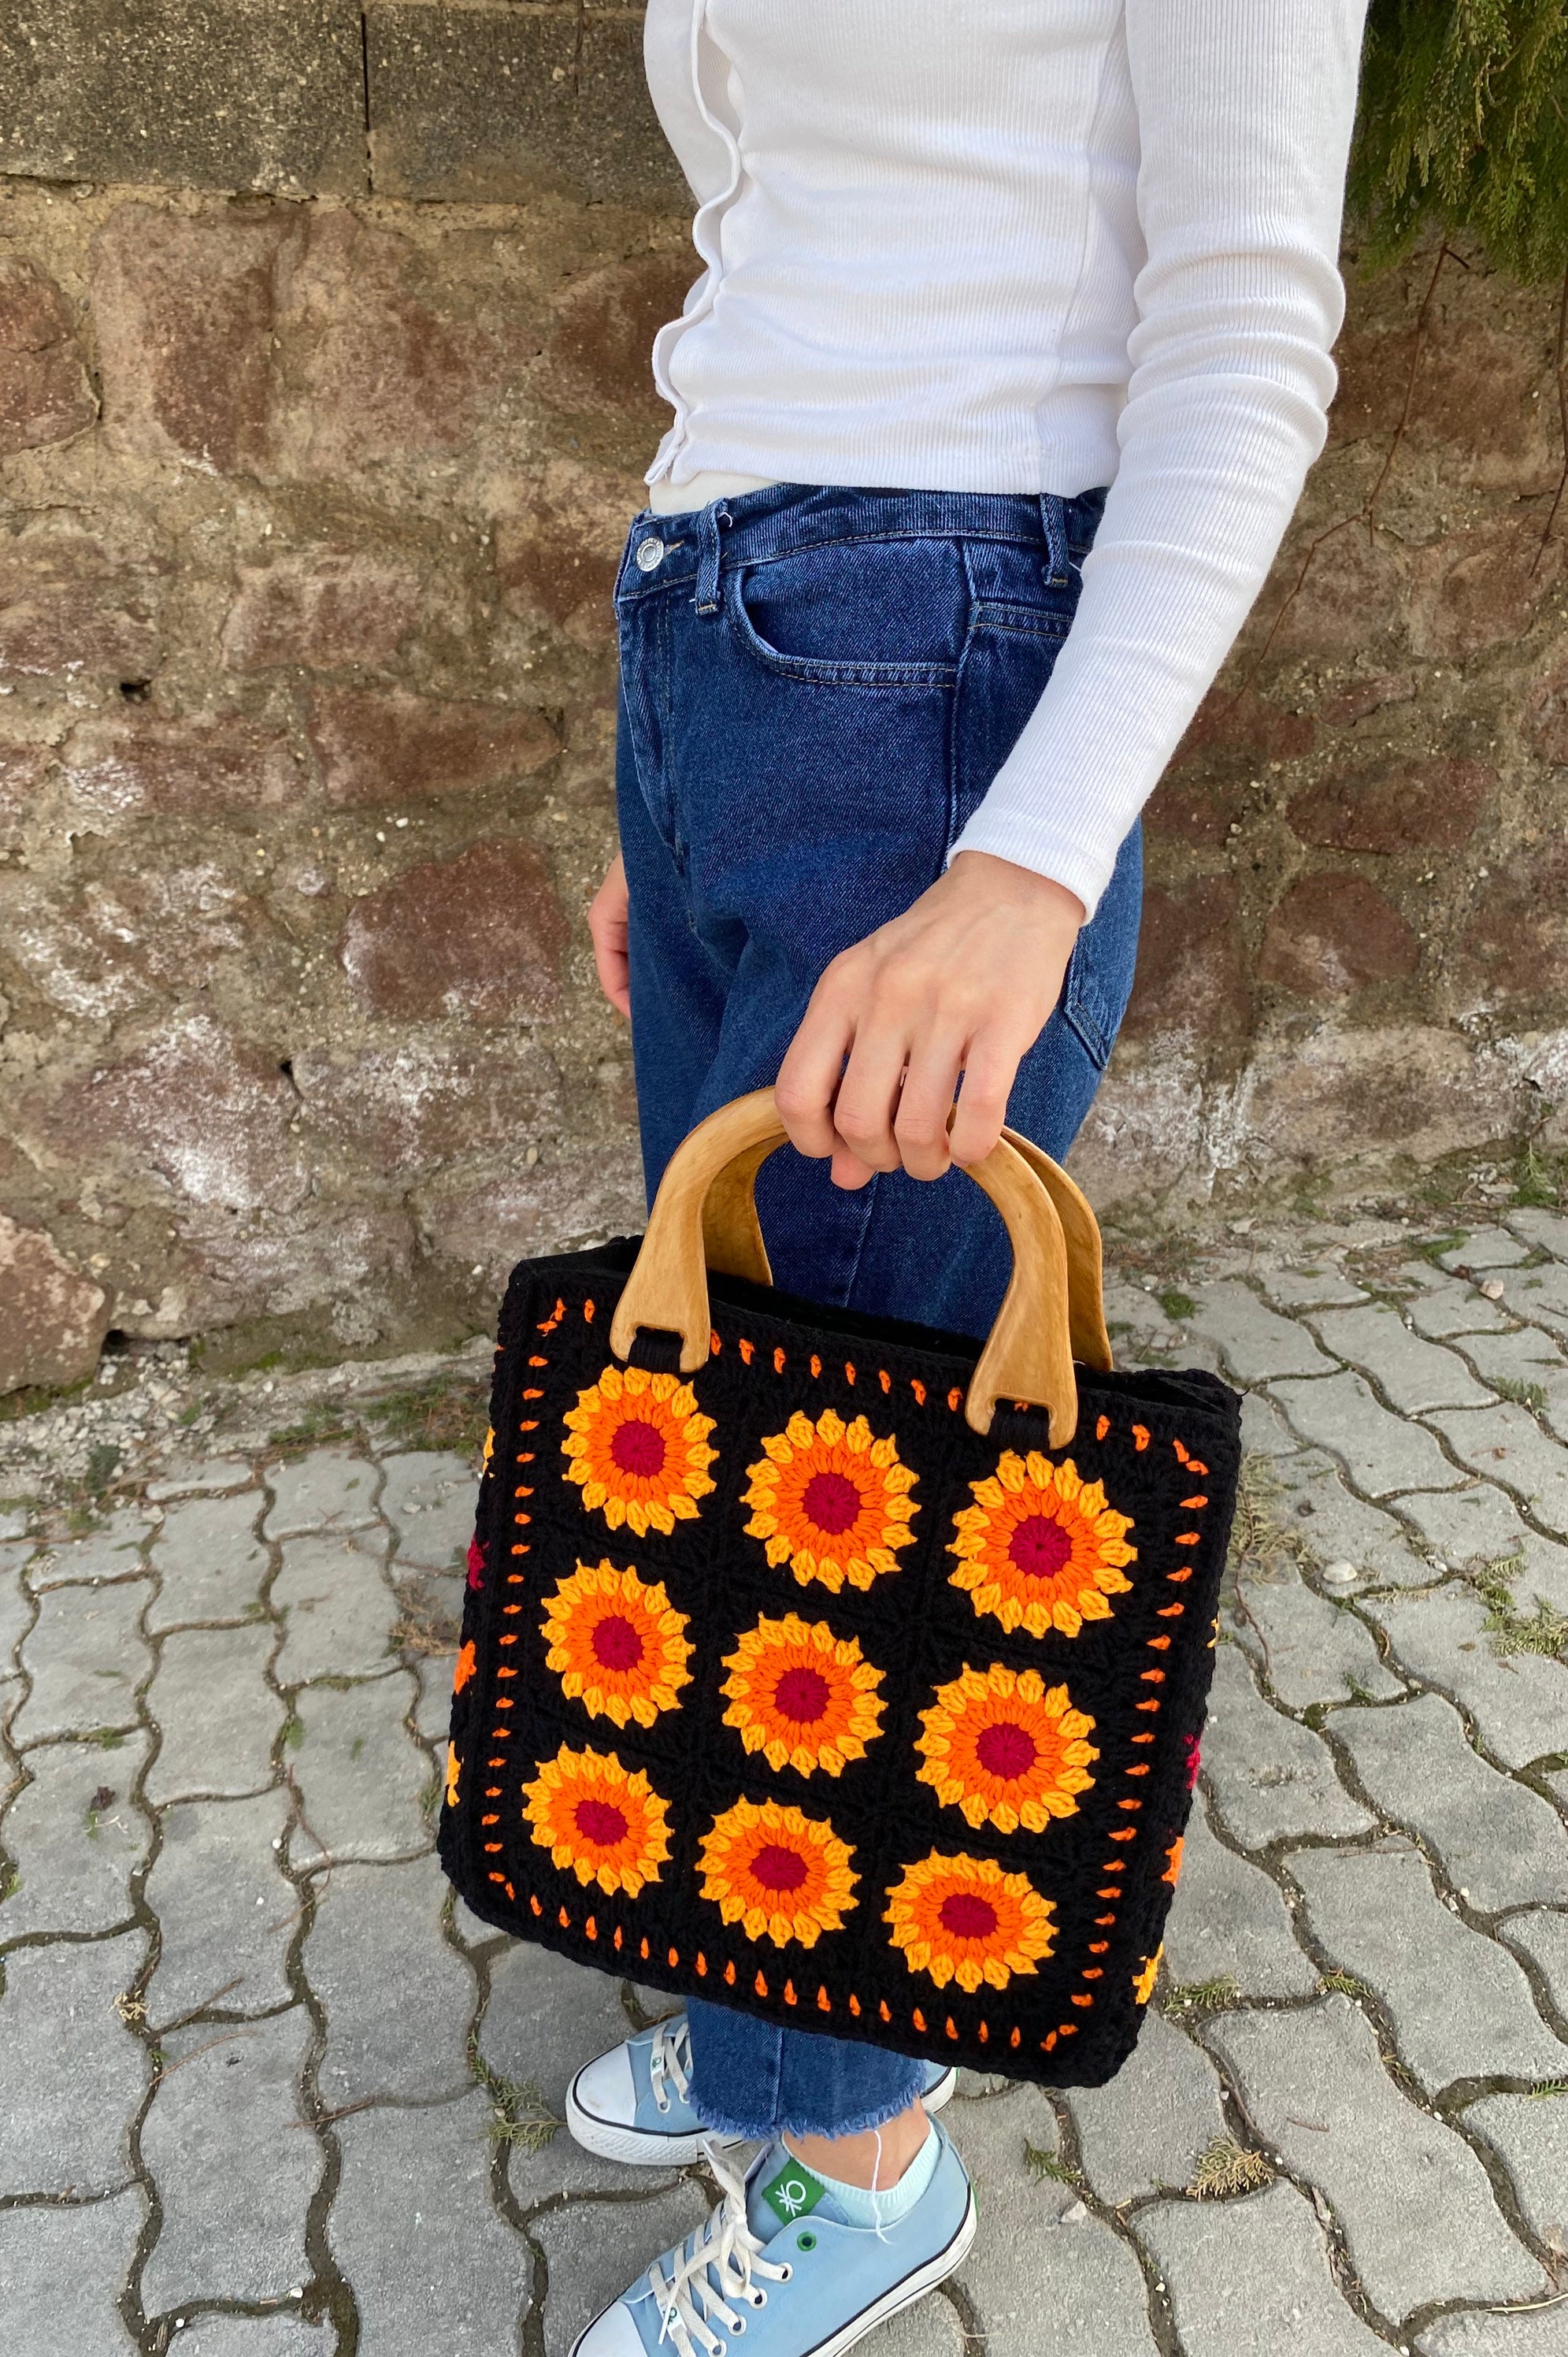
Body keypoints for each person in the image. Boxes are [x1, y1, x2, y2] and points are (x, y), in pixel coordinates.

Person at [564, 4, 1369, 2350]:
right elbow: (766, 263)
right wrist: (664, 772)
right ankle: (770, 2031)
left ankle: (863, 2161)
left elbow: (1239, 327)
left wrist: (1025, 863)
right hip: (732, 649)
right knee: (723, 1437)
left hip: (939, 680)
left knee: (842, 1477)